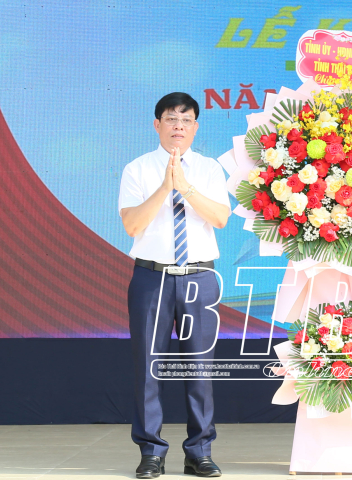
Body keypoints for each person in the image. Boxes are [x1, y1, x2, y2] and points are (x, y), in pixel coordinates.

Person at [119, 92, 231, 478]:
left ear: (195, 127)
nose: (178, 127)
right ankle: (151, 452)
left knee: (200, 369)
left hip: (199, 277)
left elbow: (219, 218)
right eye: (171, 119)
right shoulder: (137, 169)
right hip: (153, 278)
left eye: (186, 121)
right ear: (157, 125)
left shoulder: (209, 169)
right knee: (148, 369)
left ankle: (199, 451)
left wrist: (185, 185)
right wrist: (165, 186)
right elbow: (132, 225)